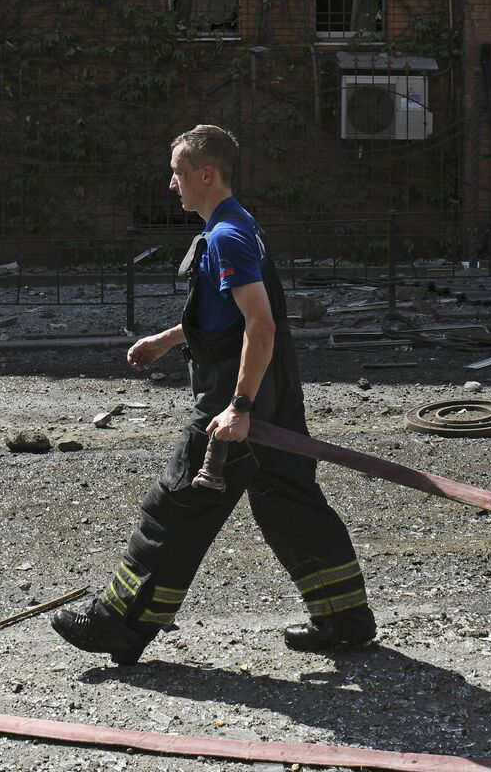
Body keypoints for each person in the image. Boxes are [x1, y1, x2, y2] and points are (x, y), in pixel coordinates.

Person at [51, 124, 375, 665]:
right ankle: (344, 618)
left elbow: (261, 325)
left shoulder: (226, 236)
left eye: (178, 173)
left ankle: (120, 623)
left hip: (236, 395)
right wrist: (165, 340)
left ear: (206, 174)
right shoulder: (235, 225)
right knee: (289, 502)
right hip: (274, 390)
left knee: (176, 503)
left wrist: (240, 407)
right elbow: (228, 318)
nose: (171, 184)